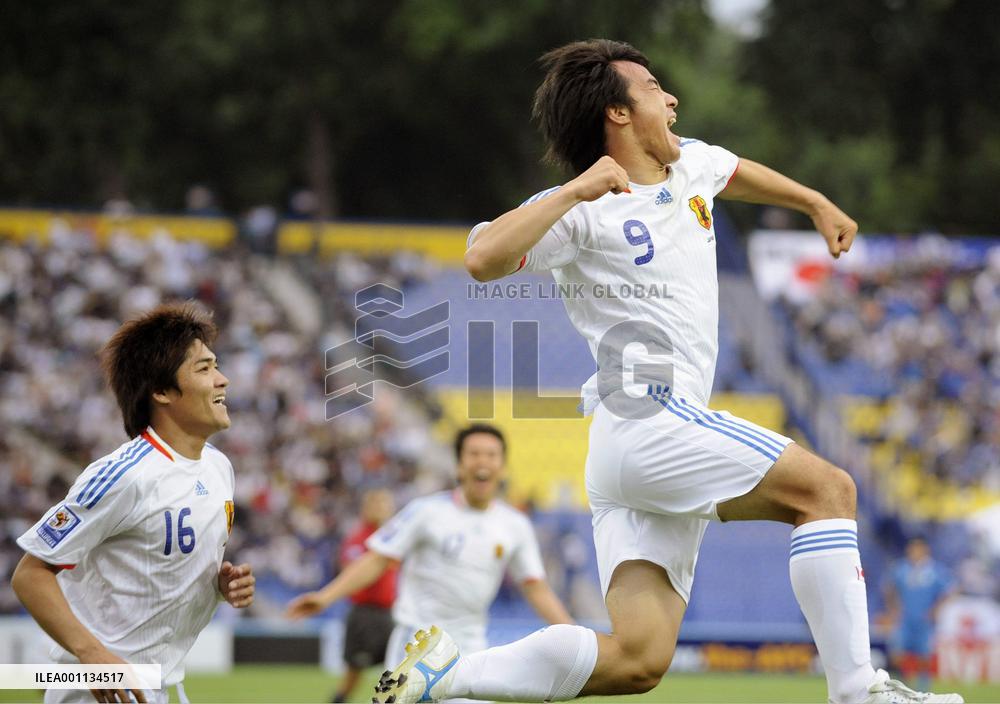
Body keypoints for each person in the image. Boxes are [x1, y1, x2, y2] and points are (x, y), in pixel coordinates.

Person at [373, 39, 964, 704]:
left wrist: (815, 203)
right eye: (654, 88)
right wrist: (574, 189)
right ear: (619, 113)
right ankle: (858, 690)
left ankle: (448, 675)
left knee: (638, 660)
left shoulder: (691, 168)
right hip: (647, 416)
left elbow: (737, 172)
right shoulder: (582, 207)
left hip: (631, 449)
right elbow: (482, 259)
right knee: (829, 491)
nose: (672, 98)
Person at [12, 302, 255, 704]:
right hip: (99, 691)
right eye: (204, 369)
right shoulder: (125, 476)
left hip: (158, 685)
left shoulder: (218, 468)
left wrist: (219, 585)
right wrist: (92, 655)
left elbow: (156, 566)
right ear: (161, 391)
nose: (222, 379)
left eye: (217, 366)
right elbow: (30, 574)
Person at [285, 424, 573, 698]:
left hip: (471, 649)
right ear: (459, 465)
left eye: (491, 454)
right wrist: (325, 597)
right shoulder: (426, 511)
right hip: (415, 645)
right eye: (474, 454)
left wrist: (574, 637)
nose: (482, 461)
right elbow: (378, 559)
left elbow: (536, 587)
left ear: (502, 466)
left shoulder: (515, 525)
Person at [330, 487, 399, 703]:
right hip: (364, 614)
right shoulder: (359, 539)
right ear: (366, 508)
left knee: (398, 669)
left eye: (385, 504)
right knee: (353, 674)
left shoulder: (393, 537)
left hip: (388, 613)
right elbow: (351, 573)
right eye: (376, 504)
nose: (381, 509)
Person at [882, 537, 955, 692]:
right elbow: (889, 589)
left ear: (925, 550)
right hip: (904, 619)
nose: (914, 552)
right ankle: (903, 685)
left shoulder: (935, 570)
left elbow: (950, 590)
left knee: (924, 657)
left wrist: (936, 609)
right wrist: (893, 609)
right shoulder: (901, 568)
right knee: (897, 655)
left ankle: (923, 688)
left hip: (924, 620)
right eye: (912, 548)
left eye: (918, 548)